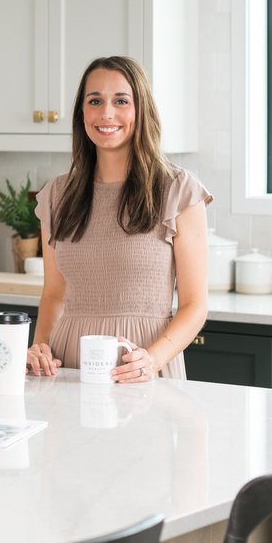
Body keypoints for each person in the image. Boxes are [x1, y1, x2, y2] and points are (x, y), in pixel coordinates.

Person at [27, 56, 209, 383]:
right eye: (94, 101)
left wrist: (153, 359)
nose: (106, 113)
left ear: (142, 109)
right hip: (70, 366)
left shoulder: (179, 190)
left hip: (142, 365)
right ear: (81, 113)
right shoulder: (57, 194)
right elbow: (54, 294)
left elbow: (195, 305)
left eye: (121, 101)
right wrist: (40, 346)